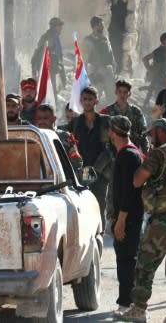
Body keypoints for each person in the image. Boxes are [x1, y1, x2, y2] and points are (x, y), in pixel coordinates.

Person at [116, 119, 166, 323]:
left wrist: (147, 158)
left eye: (153, 134)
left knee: (145, 264)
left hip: (162, 220)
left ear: (161, 132)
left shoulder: (159, 153)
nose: (151, 137)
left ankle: (140, 310)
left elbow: (137, 180)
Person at [109, 116, 146, 315]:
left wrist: (121, 220)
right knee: (128, 259)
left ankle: (126, 304)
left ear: (112, 133)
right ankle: (130, 302)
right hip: (131, 216)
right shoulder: (131, 152)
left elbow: (128, 192)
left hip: (128, 217)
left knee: (125, 261)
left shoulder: (128, 156)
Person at [69, 86, 112, 226]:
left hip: (101, 171)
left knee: (99, 205)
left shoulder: (106, 122)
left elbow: (111, 147)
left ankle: (98, 235)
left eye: (90, 99)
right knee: (82, 206)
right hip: (82, 172)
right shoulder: (75, 123)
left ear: (96, 101)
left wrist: (97, 169)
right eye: (85, 99)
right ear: (81, 101)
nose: (87, 102)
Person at [101, 79, 149, 154]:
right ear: (116, 92)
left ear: (129, 94)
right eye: (120, 92)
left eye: (125, 92)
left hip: (131, 152)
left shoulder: (136, 111)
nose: (122, 95)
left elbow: (143, 134)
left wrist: (146, 153)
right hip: (112, 153)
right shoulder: (107, 112)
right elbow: (101, 134)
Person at [35, 103, 84, 175]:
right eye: (39, 118)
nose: (42, 121)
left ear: (54, 119)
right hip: (37, 179)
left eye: (45, 118)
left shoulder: (64, 137)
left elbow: (77, 162)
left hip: (60, 179)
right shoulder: (32, 137)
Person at [84, 16, 117, 101]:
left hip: (108, 72)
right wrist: (88, 75)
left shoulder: (105, 39)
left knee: (112, 98)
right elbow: (85, 60)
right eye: (101, 25)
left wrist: (114, 69)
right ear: (95, 26)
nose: (103, 27)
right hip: (96, 73)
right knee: (95, 98)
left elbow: (111, 55)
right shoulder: (88, 41)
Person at [31, 17, 66, 94]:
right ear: (54, 26)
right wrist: (35, 69)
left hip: (53, 69)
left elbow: (58, 55)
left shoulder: (55, 37)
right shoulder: (48, 37)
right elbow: (39, 53)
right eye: (59, 25)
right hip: (48, 69)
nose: (61, 28)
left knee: (53, 92)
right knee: (50, 92)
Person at [142, 32, 166, 101]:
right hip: (159, 79)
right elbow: (145, 59)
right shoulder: (159, 51)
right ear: (165, 41)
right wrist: (150, 71)